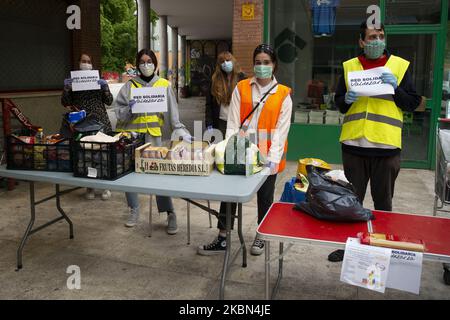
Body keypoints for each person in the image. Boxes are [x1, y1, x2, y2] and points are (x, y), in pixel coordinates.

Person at [329, 22, 421, 262]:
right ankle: (350, 245)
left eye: (380, 36)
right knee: (351, 201)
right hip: (354, 146)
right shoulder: (350, 66)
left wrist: (396, 88)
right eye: (371, 37)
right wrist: (345, 100)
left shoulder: (400, 66)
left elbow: (412, 103)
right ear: (362, 41)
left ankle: (381, 248)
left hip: (386, 148)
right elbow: (339, 102)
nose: (377, 40)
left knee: (383, 202)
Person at [198, 44, 292, 256]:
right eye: (258, 62)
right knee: (229, 195)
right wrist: (232, 152)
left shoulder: (283, 94)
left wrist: (271, 161)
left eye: (266, 62)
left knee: (265, 197)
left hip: (268, 158)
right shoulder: (242, 87)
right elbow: (232, 124)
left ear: (274, 65)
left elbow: (281, 131)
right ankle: (223, 237)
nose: (261, 66)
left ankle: (261, 235)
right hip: (241, 153)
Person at [115, 48, 191, 234]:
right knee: (129, 175)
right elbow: (119, 114)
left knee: (159, 178)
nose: (146, 65)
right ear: (137, 64)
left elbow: (173, 115)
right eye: (142, 61)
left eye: (149, 61)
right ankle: (134, 209)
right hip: (133, 138)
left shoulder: (164, 85)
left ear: (155, 64)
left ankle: (170, 213)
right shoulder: (130, 86)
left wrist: (181, 130)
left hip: (154, 139)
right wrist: (129, 110)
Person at [62, 53, 113, 201]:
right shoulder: (74, 81)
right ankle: (89, 186)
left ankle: (105, 185)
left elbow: (109, 101)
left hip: (100, 121)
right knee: (86, 155)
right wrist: (66, 88)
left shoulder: (98, 79)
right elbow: (65, 102)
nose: (86, 63)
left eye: (89, 61)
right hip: (82, 123)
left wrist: (104, 87)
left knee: (103, 154)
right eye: (83, 61)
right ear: (79, 63)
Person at [205, 51, 246, 136]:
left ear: (233, 61)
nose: (225, 63)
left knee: (236, 147)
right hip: (220, 122)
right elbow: (209, 104)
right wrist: (209, 123)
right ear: (219, 65)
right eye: (222, 62)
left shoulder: (242, 79)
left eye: (227, 60)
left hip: (237, 122)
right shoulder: (214, 80)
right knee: (220, 147)